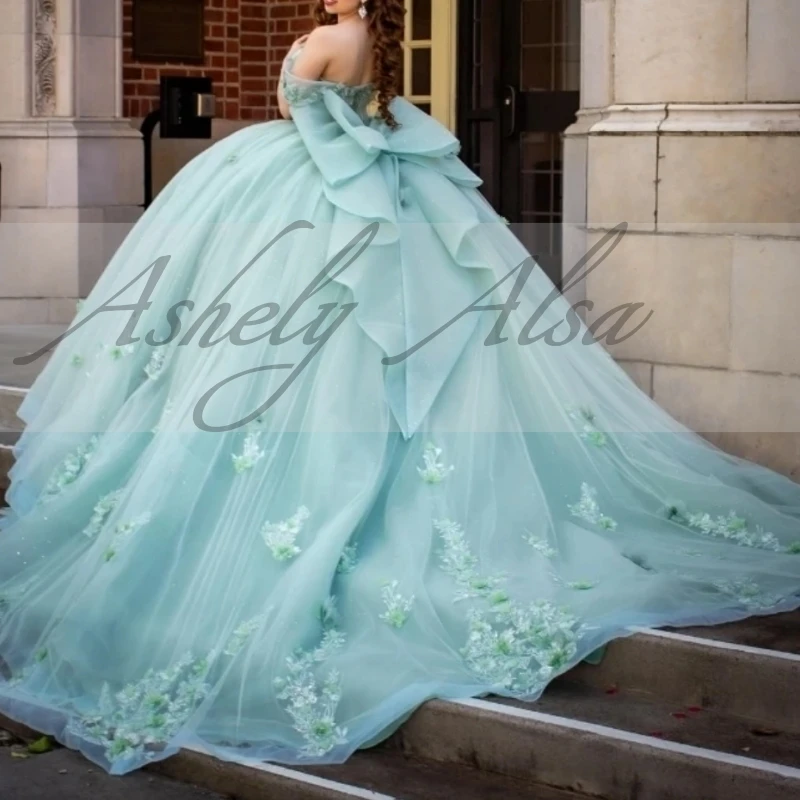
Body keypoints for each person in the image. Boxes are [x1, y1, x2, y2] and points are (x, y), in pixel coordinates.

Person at [0, 0, 798, 776]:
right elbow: (357, 108)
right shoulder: (374, 45)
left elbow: (290, 103)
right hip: (367, 184)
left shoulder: (320, 39)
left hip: (307, 194)